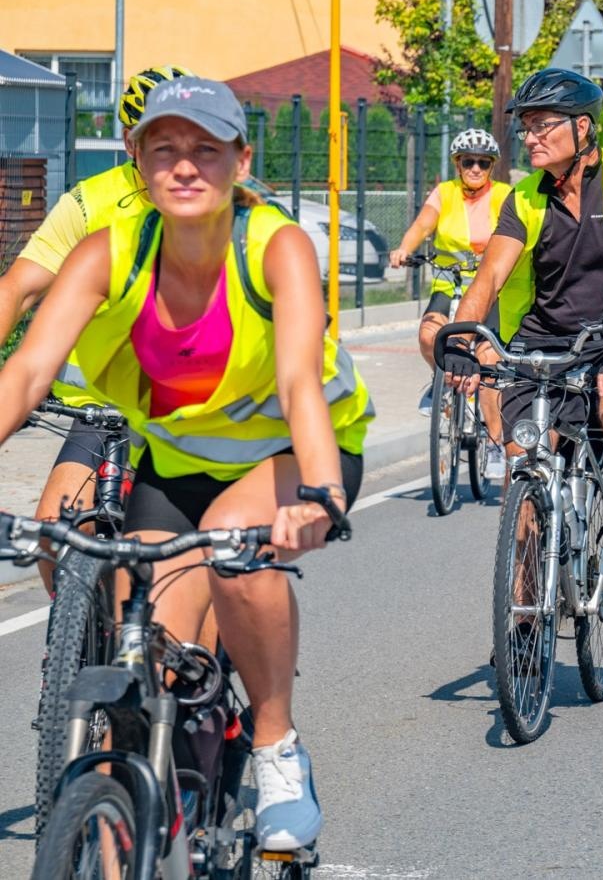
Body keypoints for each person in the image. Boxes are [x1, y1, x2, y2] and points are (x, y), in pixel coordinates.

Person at [0, 76, 371, 851]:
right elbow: (29, 373)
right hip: (176, 470)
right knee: (152, 676)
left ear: (241, 159)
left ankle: (276, 749)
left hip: (296, 457)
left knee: (237, 551)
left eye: (206, 149)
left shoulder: (275, 243)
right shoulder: (110, 250)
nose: (185, 166)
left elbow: (301, 378)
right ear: (137, 159)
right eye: (164, 148)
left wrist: (318, 493)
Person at [444, 68, 603, 558]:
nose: (529, 138)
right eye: (526, 127)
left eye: (543, 126)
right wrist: (460, 340)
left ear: (582, 127)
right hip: (543, 337)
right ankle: (522, 617)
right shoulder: (525, 196)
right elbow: (490, 276)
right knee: (523, 460)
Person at [0, 64, 192, 590]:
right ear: (131, 142)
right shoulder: (91, 203)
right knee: (51, 538)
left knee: (194, 568)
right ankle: (77, 653)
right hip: (101, 413)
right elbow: (17, 289)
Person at [388, 128, 513, 475]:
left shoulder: (504, 195)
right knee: (429, 334)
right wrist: (404, 249)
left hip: (487, 288)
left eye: (483, 163)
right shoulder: (444, 193)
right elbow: (422, 225)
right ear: (458, 164)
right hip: (449, 282)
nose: (475, 169)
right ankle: (440, 383)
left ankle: (495, 441)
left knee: (487, 360)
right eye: (468, 162)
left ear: (491, 167)